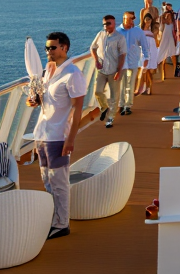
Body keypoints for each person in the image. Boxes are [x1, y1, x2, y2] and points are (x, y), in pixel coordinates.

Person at [28, 31, 86, 239]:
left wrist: (70, 139)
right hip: (42, 133)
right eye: (46, 48)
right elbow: (47, 101)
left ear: (64, 48)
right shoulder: (47, 72)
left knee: (59, 182)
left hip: (58, 136)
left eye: (52, 47)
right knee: (47, 180)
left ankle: (62, 224)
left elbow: (78, 108)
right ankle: (54, 218)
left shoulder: (73, 74)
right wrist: (35, 101)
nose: (48, 52)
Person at [89, 15, 127, 128]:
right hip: (102, 70)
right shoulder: (100, 35)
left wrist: (119, 71)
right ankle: (104, 107)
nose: (106, 26)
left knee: (114, 96)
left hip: (114, 70)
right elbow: (93, 47)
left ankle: (110, 118)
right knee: (98, 91)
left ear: (114, 24)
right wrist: (96, 60)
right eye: (105, 24)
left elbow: (123, 55)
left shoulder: (120, 38)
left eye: (109, 23)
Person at [158, 2, 179, 78]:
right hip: (164, 38)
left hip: (172, 38)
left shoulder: (174, 18)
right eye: (167, 16)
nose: (168, 17)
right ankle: (163, 74)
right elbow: (161, 22)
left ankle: (176, 72)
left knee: (173, 55)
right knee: (163, 56)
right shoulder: (163, 20)